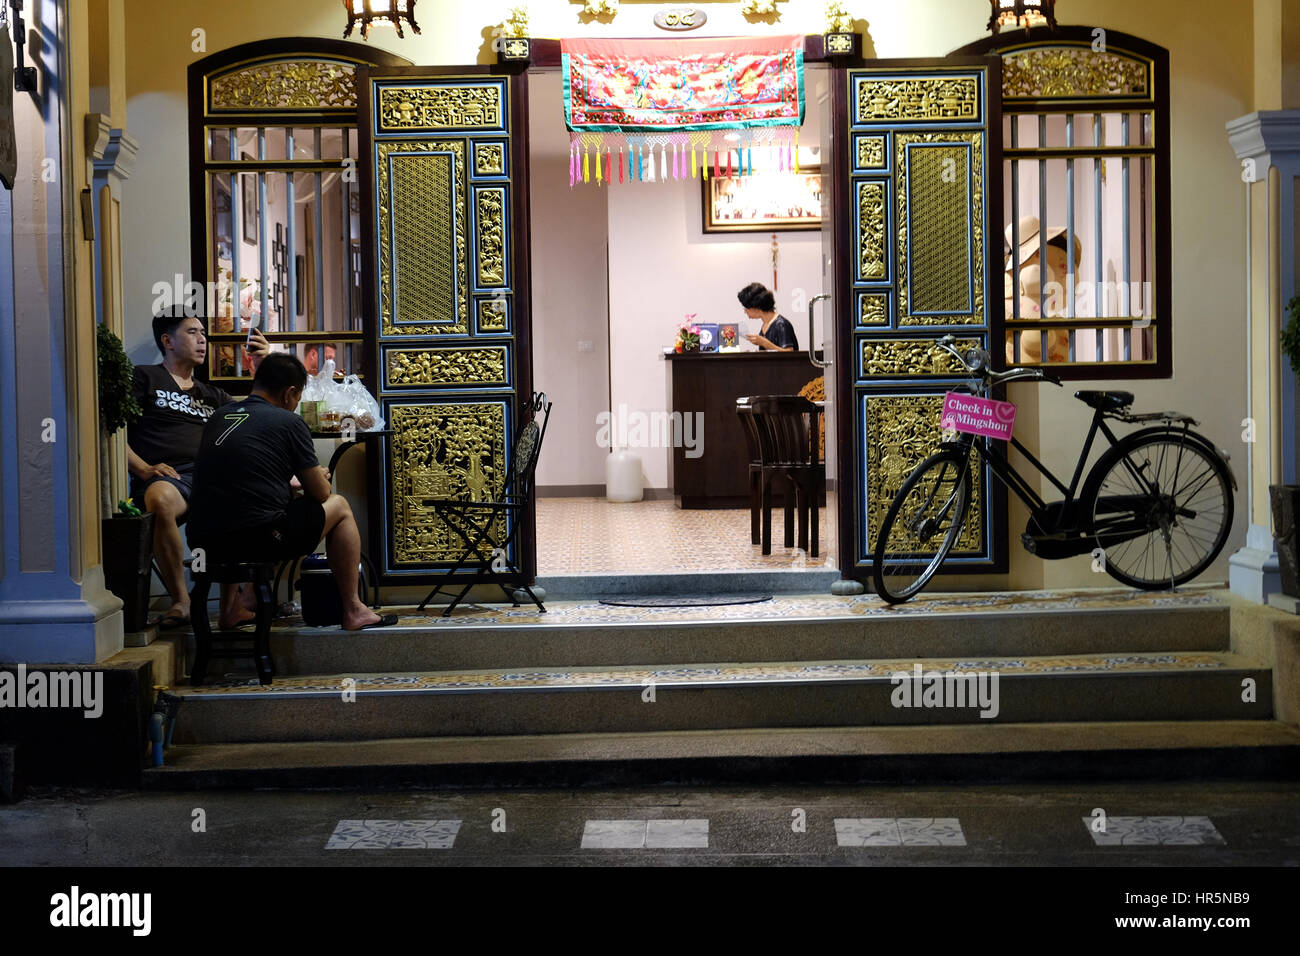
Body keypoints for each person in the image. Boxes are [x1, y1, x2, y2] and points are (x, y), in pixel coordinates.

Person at [186, 353, 395, 632]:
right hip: (257, 539)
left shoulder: (219, 417)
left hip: (203, 540)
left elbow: (236, 483)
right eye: (298, 399)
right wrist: (319, 477)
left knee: (237, 513)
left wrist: (287, 485)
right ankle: (354, 609)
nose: (296, 405)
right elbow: (321, 494)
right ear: (290, 393)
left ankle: (230, 610)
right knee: (340, 506)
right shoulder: (289, 422)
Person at [127, 309, 270, 629]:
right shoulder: (144, 377)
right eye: (192, 332)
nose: (203, 339)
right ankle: (182, 601)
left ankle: (234, 606)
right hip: (169, 478)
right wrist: (143, 468)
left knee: (270, 498)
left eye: (203, 333)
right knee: (160, 499)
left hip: (211, 479)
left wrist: (262, 370)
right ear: (168, 341)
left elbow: (255, 418)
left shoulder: (212, 395)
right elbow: (109, 427)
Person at [737, 282, 798, 351]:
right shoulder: (765, 324)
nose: (745, 311)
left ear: (756, 307)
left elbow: (789, 352)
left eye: (746, 308)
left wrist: (764, 343)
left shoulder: (781, 324)